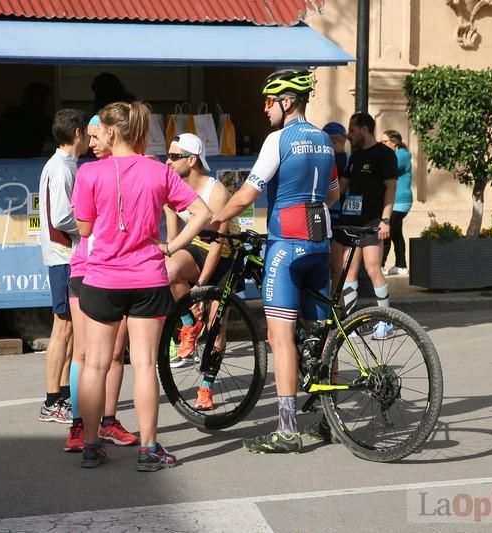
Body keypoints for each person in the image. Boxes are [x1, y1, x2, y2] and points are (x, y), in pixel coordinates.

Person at [72, 101, 211, 470]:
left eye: (100, 131)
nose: (97, 137)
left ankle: (90, 444)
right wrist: (172, 246)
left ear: (112, 133)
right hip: (149, 276)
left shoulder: (89, 173)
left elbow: (84, 230)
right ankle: (148, 449)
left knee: (95, 365)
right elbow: (203, 213)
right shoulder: (158, 171)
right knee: (146, 364)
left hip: (101, 278)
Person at [211, 69, 339, 454]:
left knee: (280, 339)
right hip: (320, 240)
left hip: (286, 243)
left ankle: (287, 429)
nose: (264, 108)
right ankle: (331, 420)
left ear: (287, 102)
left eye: (269, 101)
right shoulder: (324, 140)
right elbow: (333, 193)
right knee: (321, 333)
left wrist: (215, 218)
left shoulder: (277, 140)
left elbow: (248, 194)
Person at [63, 115, 139, 453]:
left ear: (112, 135)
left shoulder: (132, 170)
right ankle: (80, 425)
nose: (91, 144)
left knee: (115, 355)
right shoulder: (90, 173)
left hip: (119, 273)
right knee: (84, 352)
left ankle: (108, 421)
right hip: (86, 270)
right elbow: (81, 226)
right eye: (89, 137)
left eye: (96, 137)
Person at [163, 133, 238, 410]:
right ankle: (188, 324)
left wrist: (200, 291)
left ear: (192, 160)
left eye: (173, 156)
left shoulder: (216, 191)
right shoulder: (171, 189)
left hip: (224, 255)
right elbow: (172, 242)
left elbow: (218, 246)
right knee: (168, 270)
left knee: (217, 325)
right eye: (167, 156)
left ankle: (206, 388)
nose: (167, 161)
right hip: (196, 248)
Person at [37, 108, 89, 424]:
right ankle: (51, 400)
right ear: (78, 133)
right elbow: (61, 217)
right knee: (64, 327)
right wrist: (90, 227)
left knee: (70, 329)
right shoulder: (62, 169)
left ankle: (65, 396)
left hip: (66, 256)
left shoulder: (66, 164)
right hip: (63, 257)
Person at [335, 112, 397, 335]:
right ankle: (352, 321)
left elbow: (391, 188)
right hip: (351, 222)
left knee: (373, 269)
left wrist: (385, 219)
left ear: (364, 129)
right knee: (348, 271)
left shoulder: (384, 154)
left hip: (373, 222)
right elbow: (342, 186)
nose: (349, 135)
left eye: (352, 130)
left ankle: (386, 320)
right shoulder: (355, 157)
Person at [0, 82, 52, 159]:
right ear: (41, 101)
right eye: (47, 100)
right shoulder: (40, 120)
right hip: (15, 160)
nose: (48, 104)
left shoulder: (11, 113)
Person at [380, 129, 413, 275]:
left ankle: (380, 265)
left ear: (395, 143)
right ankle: (401, 265)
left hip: (400, 201)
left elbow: (386, 170)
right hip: (396, 201)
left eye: (385, 142)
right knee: (396, 233)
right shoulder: (395, 155)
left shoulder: (401, 155)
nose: (382, 144)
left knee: (385, 232)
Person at [322, 121, 350, 288]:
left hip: (333, 216)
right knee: (335, 267)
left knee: (332, 267)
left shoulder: (338, 160)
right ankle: (336, 304)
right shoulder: (345, 159)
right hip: (338, 216)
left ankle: (334, 304)